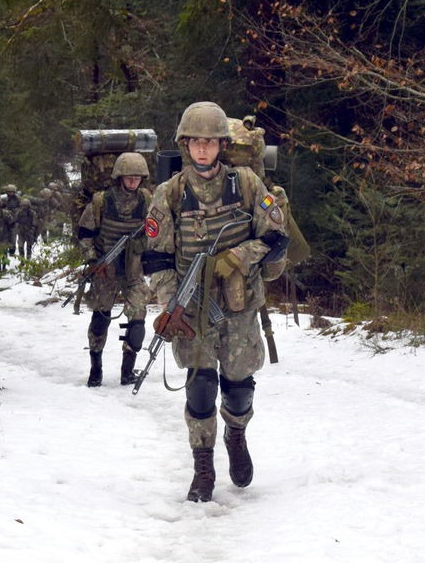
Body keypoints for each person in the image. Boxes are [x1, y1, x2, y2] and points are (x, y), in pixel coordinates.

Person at [141, 101, 288, 503]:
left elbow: (276, 239)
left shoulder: (247, 185)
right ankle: (202, 464)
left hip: (240, 307)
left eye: (210, 142)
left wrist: (238, 257)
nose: (202, 150)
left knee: (238, 387)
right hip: (193, 311)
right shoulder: (168, 194)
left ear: (221, 144)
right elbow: (157, 258)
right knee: (201, 387)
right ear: (184, 145)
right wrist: (171, 306)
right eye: (195, 142)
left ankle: (236, 435)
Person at [76, 152, 152, 387]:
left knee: (138, 320)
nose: (133, 182)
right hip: (105, 270)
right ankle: (95, 368)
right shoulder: (101, 202)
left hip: (134, 270)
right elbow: (85, 234)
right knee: (100, 320)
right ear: (120, 176)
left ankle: (127, 372)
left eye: (137, 177)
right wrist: (92, 261)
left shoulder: (147, 200)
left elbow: (158, 231)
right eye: (129, 177)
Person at [1, 184, 20, 256]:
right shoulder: (3, 198)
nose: (10, 193)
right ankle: (4, 250)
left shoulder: (17, 198)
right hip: (4, 220)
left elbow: (21, 207)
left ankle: (12, 250)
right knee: (4, 236)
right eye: (9, 192)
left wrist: (15, 214)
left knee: (13, 236)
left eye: (12, 192)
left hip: (14, 220)